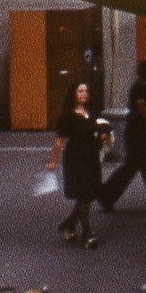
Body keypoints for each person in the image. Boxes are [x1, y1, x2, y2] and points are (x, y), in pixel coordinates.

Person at [98, 60, 146, 211]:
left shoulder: (140, 86)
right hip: (138, 134)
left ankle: (106, 196)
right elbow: (142, 112)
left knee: (133, 167)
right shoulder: (140, 88)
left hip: (135, 133)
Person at [45, 81, 109, 249]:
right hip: (76, 158)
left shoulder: (93, 111)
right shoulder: (67, 116)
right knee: (85, 193)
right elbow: (60, 141)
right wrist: (52, 161)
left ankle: (69, 224)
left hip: (91, 156)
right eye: (80, 91)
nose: (84, 94)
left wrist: (103, 135)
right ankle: (87, 233)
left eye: (86, 91)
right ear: (74, 93)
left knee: (88, 194)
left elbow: (100, 127)